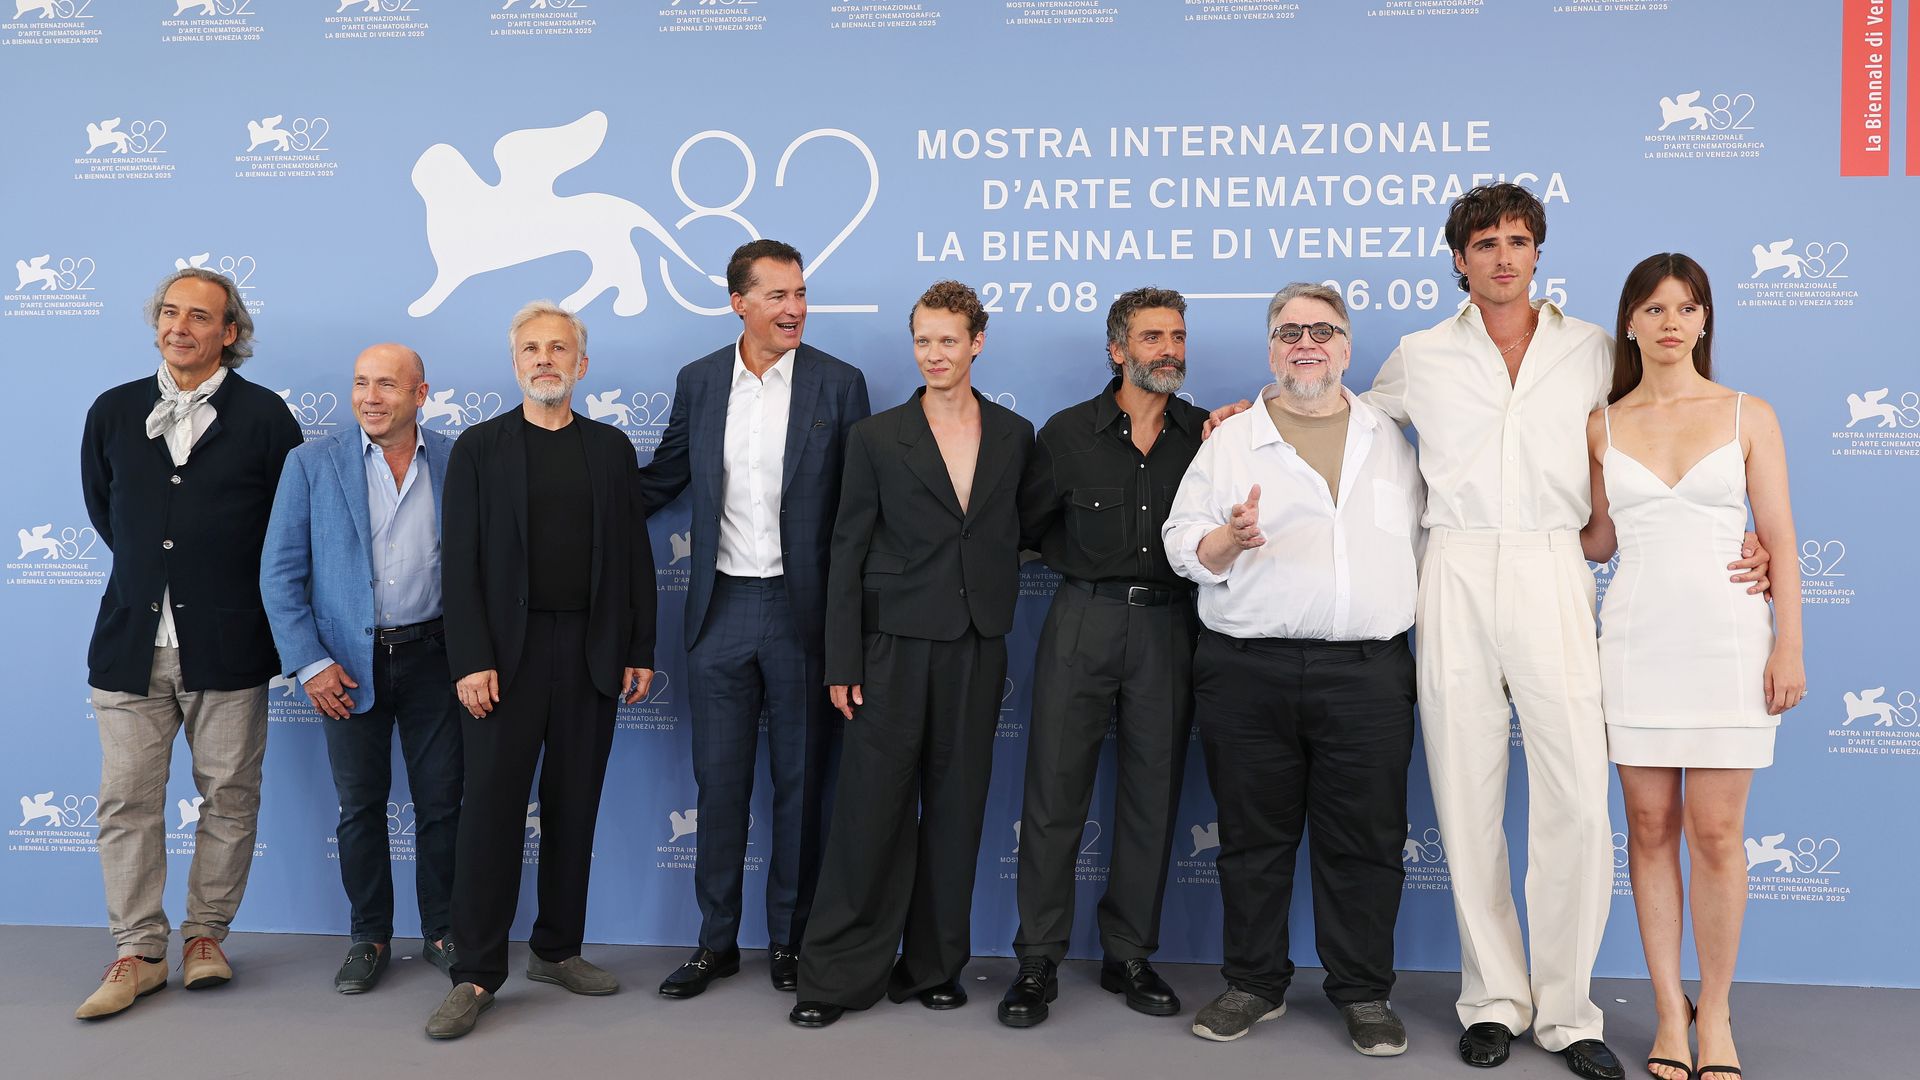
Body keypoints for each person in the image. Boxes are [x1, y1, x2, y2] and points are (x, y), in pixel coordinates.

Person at [1361, 184, 1767, 1079]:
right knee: (1466, 795)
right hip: (1455, 566)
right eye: (1484, 243)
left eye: (1517, 240)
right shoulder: (1419, 354)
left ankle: (1569, 1010)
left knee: (1580, 799)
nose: (1502, 256)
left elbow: (1654, 442)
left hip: (1556, 565)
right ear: (1458, 258)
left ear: (1538, 253)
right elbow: (1348, 421)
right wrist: (1254, 414)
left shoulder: (1590, 350)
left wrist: (1728, 536)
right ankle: (1493, 1000)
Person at [1164, 283, 1423, 1057]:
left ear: (1347, 346)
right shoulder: (1230, 440)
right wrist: (1227, 542)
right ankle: (1255, 983)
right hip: (1249, 672)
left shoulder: (1392, 438)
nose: (1306, 343)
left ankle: (1363, 993)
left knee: (1369, 840)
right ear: (1270, 348)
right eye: (1289, 332)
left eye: (1323, 330)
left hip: (1369, 675)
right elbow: (1184, 541)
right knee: (1252, 838)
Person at [1579, 253, 1803, 1080]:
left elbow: (1780, 540)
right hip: (1636, 643)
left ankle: (1719, 1015)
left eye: (1687, 307)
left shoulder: (1750, 414)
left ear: (1705, 321)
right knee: (1647, 830)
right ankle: (1670, 1012)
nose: (1671, 322)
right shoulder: (1601, 424)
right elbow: (1597, 539)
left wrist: (1789, 641)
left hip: (1729, 642)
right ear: (1629, 322)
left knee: (1716, 834)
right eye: (1653, 307)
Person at [789, 281, 1033, 1029]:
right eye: (923, 340)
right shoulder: (876, 436)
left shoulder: (1016, 434)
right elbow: (846, 550)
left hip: (976, 646)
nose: (934, 354)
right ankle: (832, 976)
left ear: (977, 343)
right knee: (869, 812)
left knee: (957, 814)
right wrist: (842, 662)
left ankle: (934, 966)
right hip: (888, 648)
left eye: (948, 340)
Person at [639, 240, 871, 999]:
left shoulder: (840, 385)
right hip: (719, 612)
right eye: (777, 295)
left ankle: (792, 943)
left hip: (804, 617)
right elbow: (664, 476)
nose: (795, 308)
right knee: (720, 786)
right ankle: (714, 945)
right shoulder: (701, 381)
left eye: (800, 293)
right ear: (738, 302)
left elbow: (857, 514)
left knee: (805, 790)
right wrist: (568, 481)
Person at [425, 301, 657, 1040]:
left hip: (590, 656)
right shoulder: (479, 450)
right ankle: (475, 973)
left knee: (573, 809)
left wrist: (639, 647)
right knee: (490, 816)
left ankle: (557, 949)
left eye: (560, 348)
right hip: (503, 662)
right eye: (532, 348)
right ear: (516, 362)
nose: (546, 359)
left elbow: (633, 558)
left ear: (581, 365)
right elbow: (456, 566)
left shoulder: (611, 449)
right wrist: (470, 660)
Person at [76, 267, 301, 1019]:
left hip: (230, 645)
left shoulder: (268, 418)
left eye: (199, 316)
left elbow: (284, 535)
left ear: (229, 333)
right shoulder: (112, 411)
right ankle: (138, 951)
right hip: (129, 645)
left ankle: (207, 937)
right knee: (126, 802)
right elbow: (109, 516)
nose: (179, 326)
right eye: (169, 312)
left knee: (229, 800)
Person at [1001, 287, 1208, 1027]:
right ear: (1118, 348)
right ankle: (1036, 960)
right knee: (1054, 794)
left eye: (1178, 336)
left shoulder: (1207, 434)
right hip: (1081, 619)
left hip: (1169, 628)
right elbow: (1021, 530)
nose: (1169, 350)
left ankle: (1129, 956)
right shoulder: (1065, 435)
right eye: (1153, 337)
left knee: (1153, 796)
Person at [260, 343, 463, 994]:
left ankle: (443, 932)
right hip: (345, 664)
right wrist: (311, 664)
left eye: (387, 385)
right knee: (359, 809)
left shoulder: (462, 461)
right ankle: (368, 936)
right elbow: (280, 576)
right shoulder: (310, 465)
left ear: (420, 394)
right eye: (360, 384)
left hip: (439, 658)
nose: (370, 397)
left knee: (442, 806)